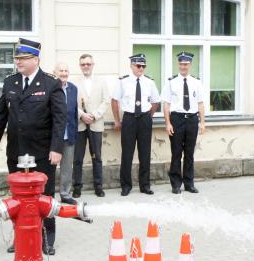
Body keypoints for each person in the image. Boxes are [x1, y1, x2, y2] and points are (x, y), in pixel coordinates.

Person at [0, 38, 67, 255]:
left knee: (45, 195)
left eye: (23, 58)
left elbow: (60, 119)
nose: (18, 62)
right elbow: (0, 114)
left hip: (42, 152)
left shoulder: (51, 83)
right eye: (17, 58)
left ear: (35, 59)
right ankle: (20, 236)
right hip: (17, 151)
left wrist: (57, 148)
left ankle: (47, 238)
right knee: (17, 198)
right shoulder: (11, 82)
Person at [111, 54, 160, 196]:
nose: (141, 68)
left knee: (145, 153)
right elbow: (115, 100)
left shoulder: (150, 82)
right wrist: (117, 120)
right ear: (131, 66)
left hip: (144, 118)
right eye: (138, 66)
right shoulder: (123, 82)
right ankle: (126, 186)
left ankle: (145, 185)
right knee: (127, 153)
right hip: (129, 119)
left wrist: (148, 116)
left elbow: (156, 101)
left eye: (143, 66)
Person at [162, 52, 206, 194]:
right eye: (181, 64)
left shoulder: (196, 82)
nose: (183, 66)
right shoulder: (171, 82)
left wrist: (202, 122)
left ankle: (189, 183)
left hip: (192, 119)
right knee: (176, 153)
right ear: (178, 64)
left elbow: (200, 104)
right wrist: (168, 123)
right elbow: (166, 105)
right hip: (177, 119)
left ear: (190, 65)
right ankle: (176, 184)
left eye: (186, 64)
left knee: (189, 153)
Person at [72, 54, 110, 198]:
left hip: (96, 124)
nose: (86, 66)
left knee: (97, 157)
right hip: (80, 124)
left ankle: (98, 186)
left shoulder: (101, 82)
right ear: (80, 66)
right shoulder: (74, 83)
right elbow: (71, 103)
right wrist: (82, 115)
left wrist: (94, 115)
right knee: (78, 158)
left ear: (93, 64)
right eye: (83, 64)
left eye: (88, 64)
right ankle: (77, 187)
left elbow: (106, 101)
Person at [54, 62, 78, 205]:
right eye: (61, 70)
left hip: (69, 134)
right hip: (53, 136)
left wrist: (74, 132)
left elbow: (74, 112)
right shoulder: (51, 87)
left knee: (67, 167)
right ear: (55, 72)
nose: (64, 73)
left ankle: (65, 194)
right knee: (50, 167)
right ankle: (47, 194)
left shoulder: (73, 89)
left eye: (66, 70)